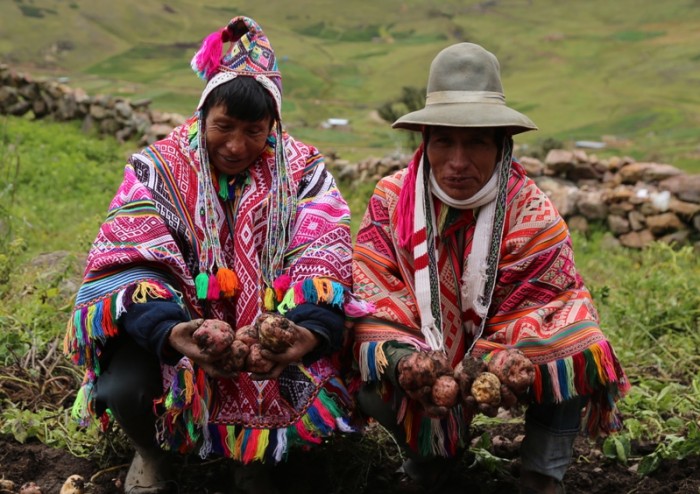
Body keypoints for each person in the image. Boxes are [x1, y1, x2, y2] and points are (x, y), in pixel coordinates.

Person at [64, 16, 365, 494]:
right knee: (125, 388)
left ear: (273, 125)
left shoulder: (303, 171)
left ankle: (254, 452)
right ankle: (151, 451)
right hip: (180, 329)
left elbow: (322, 254)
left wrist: (304, 330)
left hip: (267, 336)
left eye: (254, 130)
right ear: (203, 114)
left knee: (332, 352)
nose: (236, 145)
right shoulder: (156, 169)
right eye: (223, 126)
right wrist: (172, 330)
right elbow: (130, 261)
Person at [351, 43, 630, 494]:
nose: (458, 162)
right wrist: (409, 361)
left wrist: (490, 362)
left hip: (502, 355)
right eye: (444, 141)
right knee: (367, 350)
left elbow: (546, 302)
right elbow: (373, 289)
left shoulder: (530, 209)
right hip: (425, 349)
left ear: (503, 143)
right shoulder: (391, 199)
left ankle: (542, 478)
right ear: (425, 141)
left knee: (577, 341)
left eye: (477, 141)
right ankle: (429, 463)